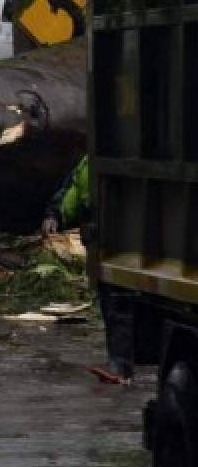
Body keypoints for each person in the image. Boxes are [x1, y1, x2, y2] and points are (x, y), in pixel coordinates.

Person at [42, 155, 135, 384]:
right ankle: (119, 364)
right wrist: (56, 214)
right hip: (102, 241)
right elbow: (73, 190)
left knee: (118, 302)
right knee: (111, 302)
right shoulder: (89, 163)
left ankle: (121, 366)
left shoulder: (102, 160)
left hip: (123, 243)